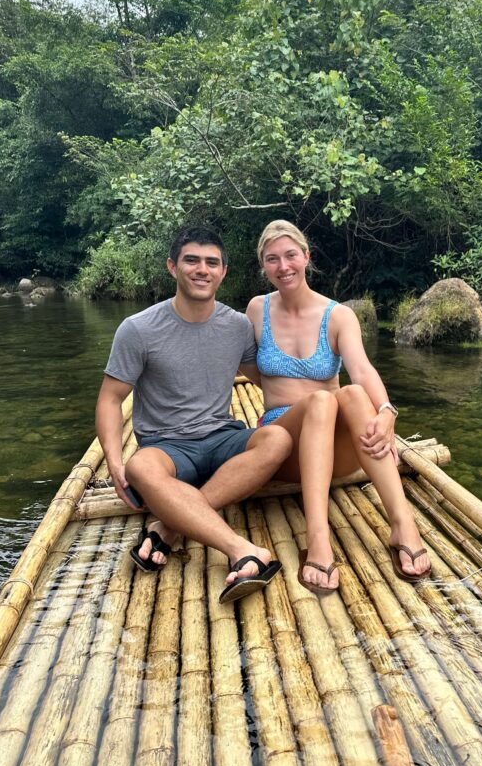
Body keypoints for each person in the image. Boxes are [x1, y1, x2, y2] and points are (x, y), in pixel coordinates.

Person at [95, 225, 293, 604]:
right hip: (168, 447)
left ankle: (169, 525)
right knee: (140, 468)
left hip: (222, 436)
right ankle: (241, 549)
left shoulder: (237, 326)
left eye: (211, 262)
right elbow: (109, 399)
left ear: (223, 272)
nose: (202, 269)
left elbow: (268, 379)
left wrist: (327, 388)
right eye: (192, 260)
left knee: (278, 438)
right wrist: (115, 461)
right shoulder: (137, 329)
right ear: (173, 267)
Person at [243, 220, 431, 595]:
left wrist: (387, 413)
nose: (284, 266)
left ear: (307, 256)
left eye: (291, 255)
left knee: (353, 396)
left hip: (331, 448)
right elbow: (243, 365)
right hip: (280, 445)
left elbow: (361, 369)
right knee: (321, 400)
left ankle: (402, 523)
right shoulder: (256, 310)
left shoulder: (338, 315)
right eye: (272, 259)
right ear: (263, 267)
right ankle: (318, 536)